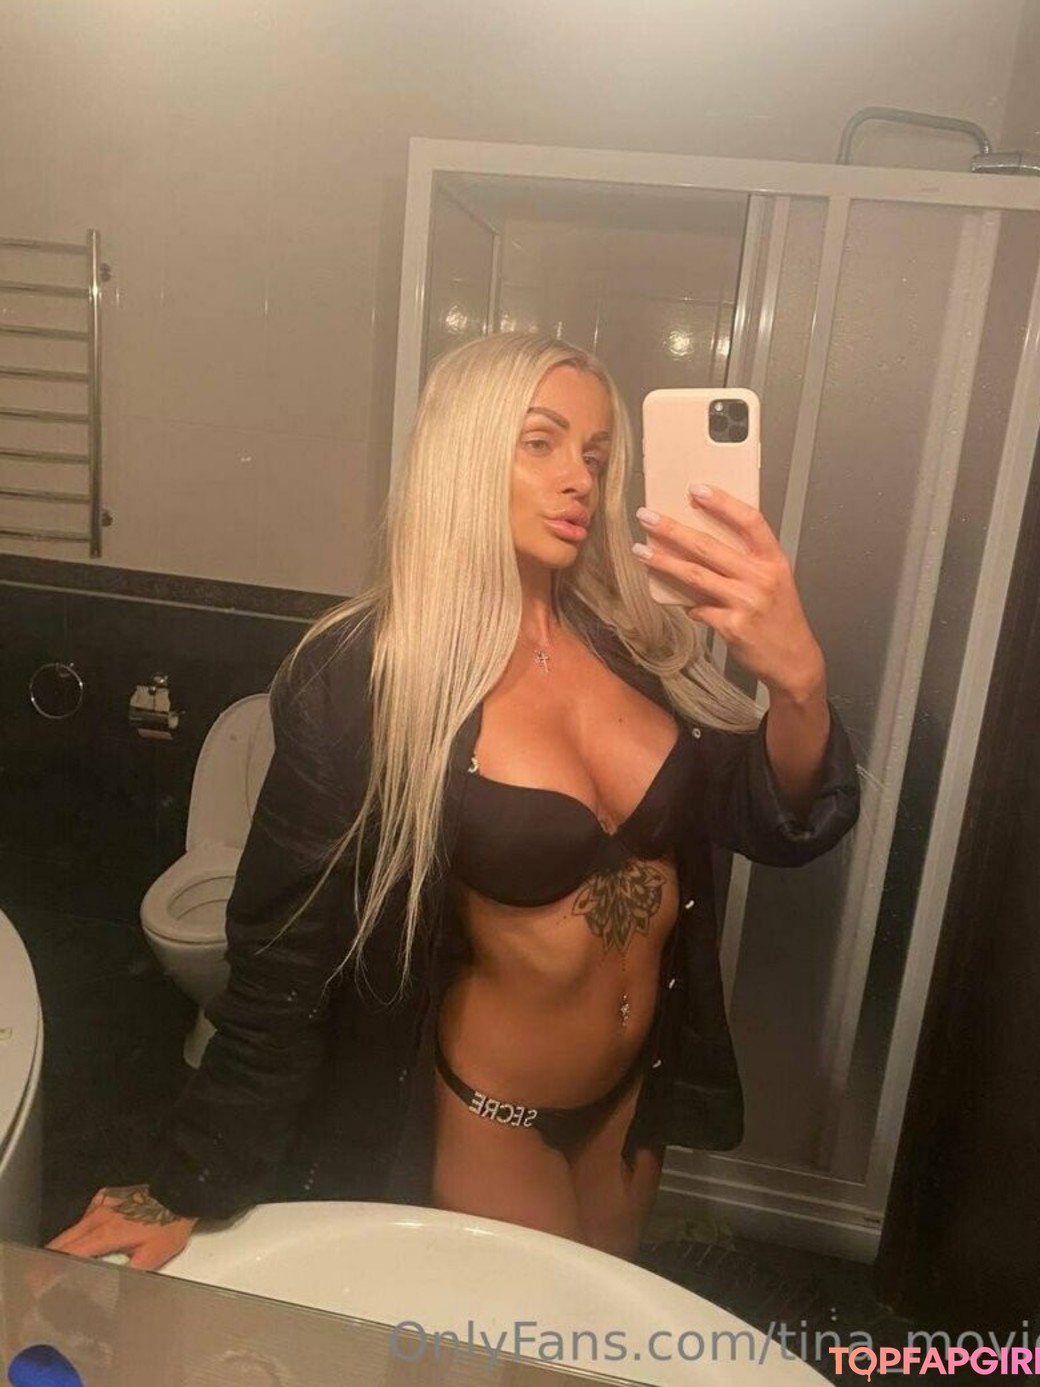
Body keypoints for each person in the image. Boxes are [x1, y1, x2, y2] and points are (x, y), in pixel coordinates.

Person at [48, 333, 859, 1271]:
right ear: (465, 453)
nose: (580, 479)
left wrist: (799, 684)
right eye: (541, 442)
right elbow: (283, 958)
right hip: (496, 1117)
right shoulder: (366, 679)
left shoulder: (634, 639)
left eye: (596, 455)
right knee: (518, 1336)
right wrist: (190, 1174)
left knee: (595, 1327)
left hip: (635, 1101)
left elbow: (771, 818)